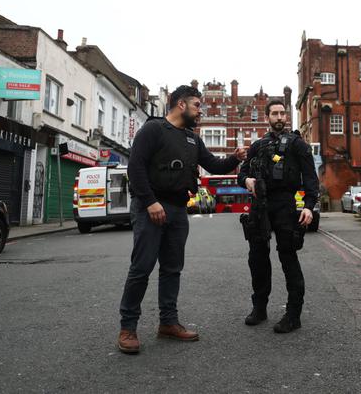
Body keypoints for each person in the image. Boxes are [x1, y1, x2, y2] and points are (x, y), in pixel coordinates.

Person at [117, 85, 246, 354]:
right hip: (150, 207)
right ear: (180, 105)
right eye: (197, 105)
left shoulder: (192, 139)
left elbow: (214, 165)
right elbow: (136, 167)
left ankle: (168, 323)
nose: (201, 110)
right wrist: (150, 202)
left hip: (177, 209)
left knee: (172, 269)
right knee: (141, 268)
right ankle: (128, 328)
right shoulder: (153, 130)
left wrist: (234, 157)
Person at [237, 100, 319, 333]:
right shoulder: (257, 146)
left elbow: (311, 179)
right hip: (259, 205)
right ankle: (259, 308)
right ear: (267, 117)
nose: (280, 117)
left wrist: (308, 207)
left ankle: (293, 314)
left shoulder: (298, 145)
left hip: (285, 203)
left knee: (288, 256)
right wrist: (247, 180)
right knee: (257, 258)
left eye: (283, 113)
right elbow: (241, 174)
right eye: (275, 113)